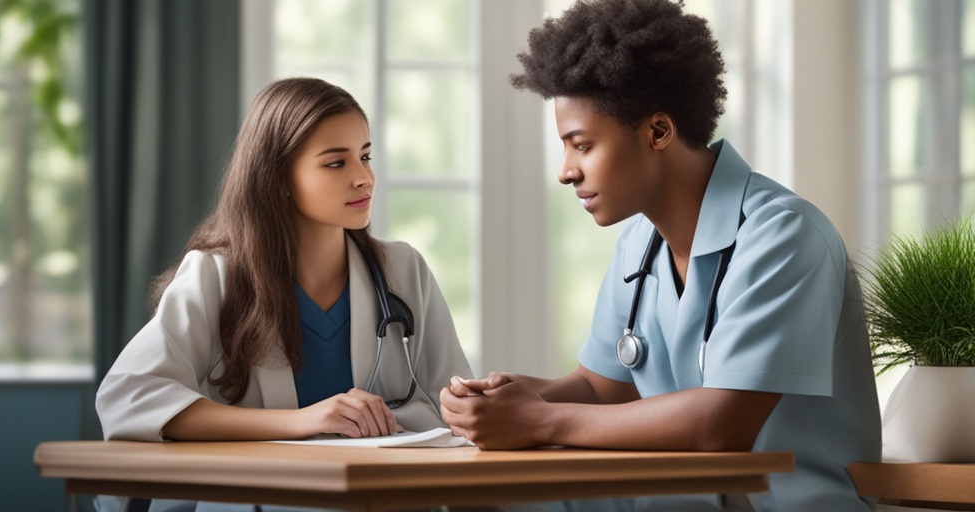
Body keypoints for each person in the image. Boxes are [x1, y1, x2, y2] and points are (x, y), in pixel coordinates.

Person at [440, 1, 881, 511]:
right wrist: (517, 397)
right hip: (678, 502)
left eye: (581, 145)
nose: (566, 171)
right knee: (473, 499)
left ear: (658, 132)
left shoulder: (784, 237)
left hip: (789, 506)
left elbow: (720, 426)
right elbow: (604, 387)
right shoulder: (638, 244)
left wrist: (539, 418)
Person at [96, 77, 473, 511]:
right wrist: (304, 421)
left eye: (366, 157)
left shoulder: (403, 272)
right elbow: (128, 398)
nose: (364, 178)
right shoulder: (215, 276)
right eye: (336, 163)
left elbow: (455, 413)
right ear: (278, 179)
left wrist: (482, 404)